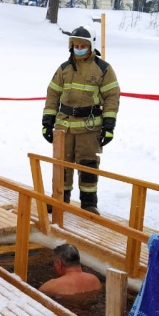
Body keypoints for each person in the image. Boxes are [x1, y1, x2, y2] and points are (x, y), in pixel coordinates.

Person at [42, 25, 120, 215]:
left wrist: (109, 126)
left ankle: (88, 204)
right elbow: (52, 95)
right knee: (62, 164)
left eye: (82, 45)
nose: (79, 48)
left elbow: (112, 96)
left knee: (88, 166)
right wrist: (47, 122)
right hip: (64, 126)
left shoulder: (103, 69)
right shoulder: (64, 69)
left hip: (89, 127)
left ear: (90, 45)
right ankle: (60, 199)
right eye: (75, 45)